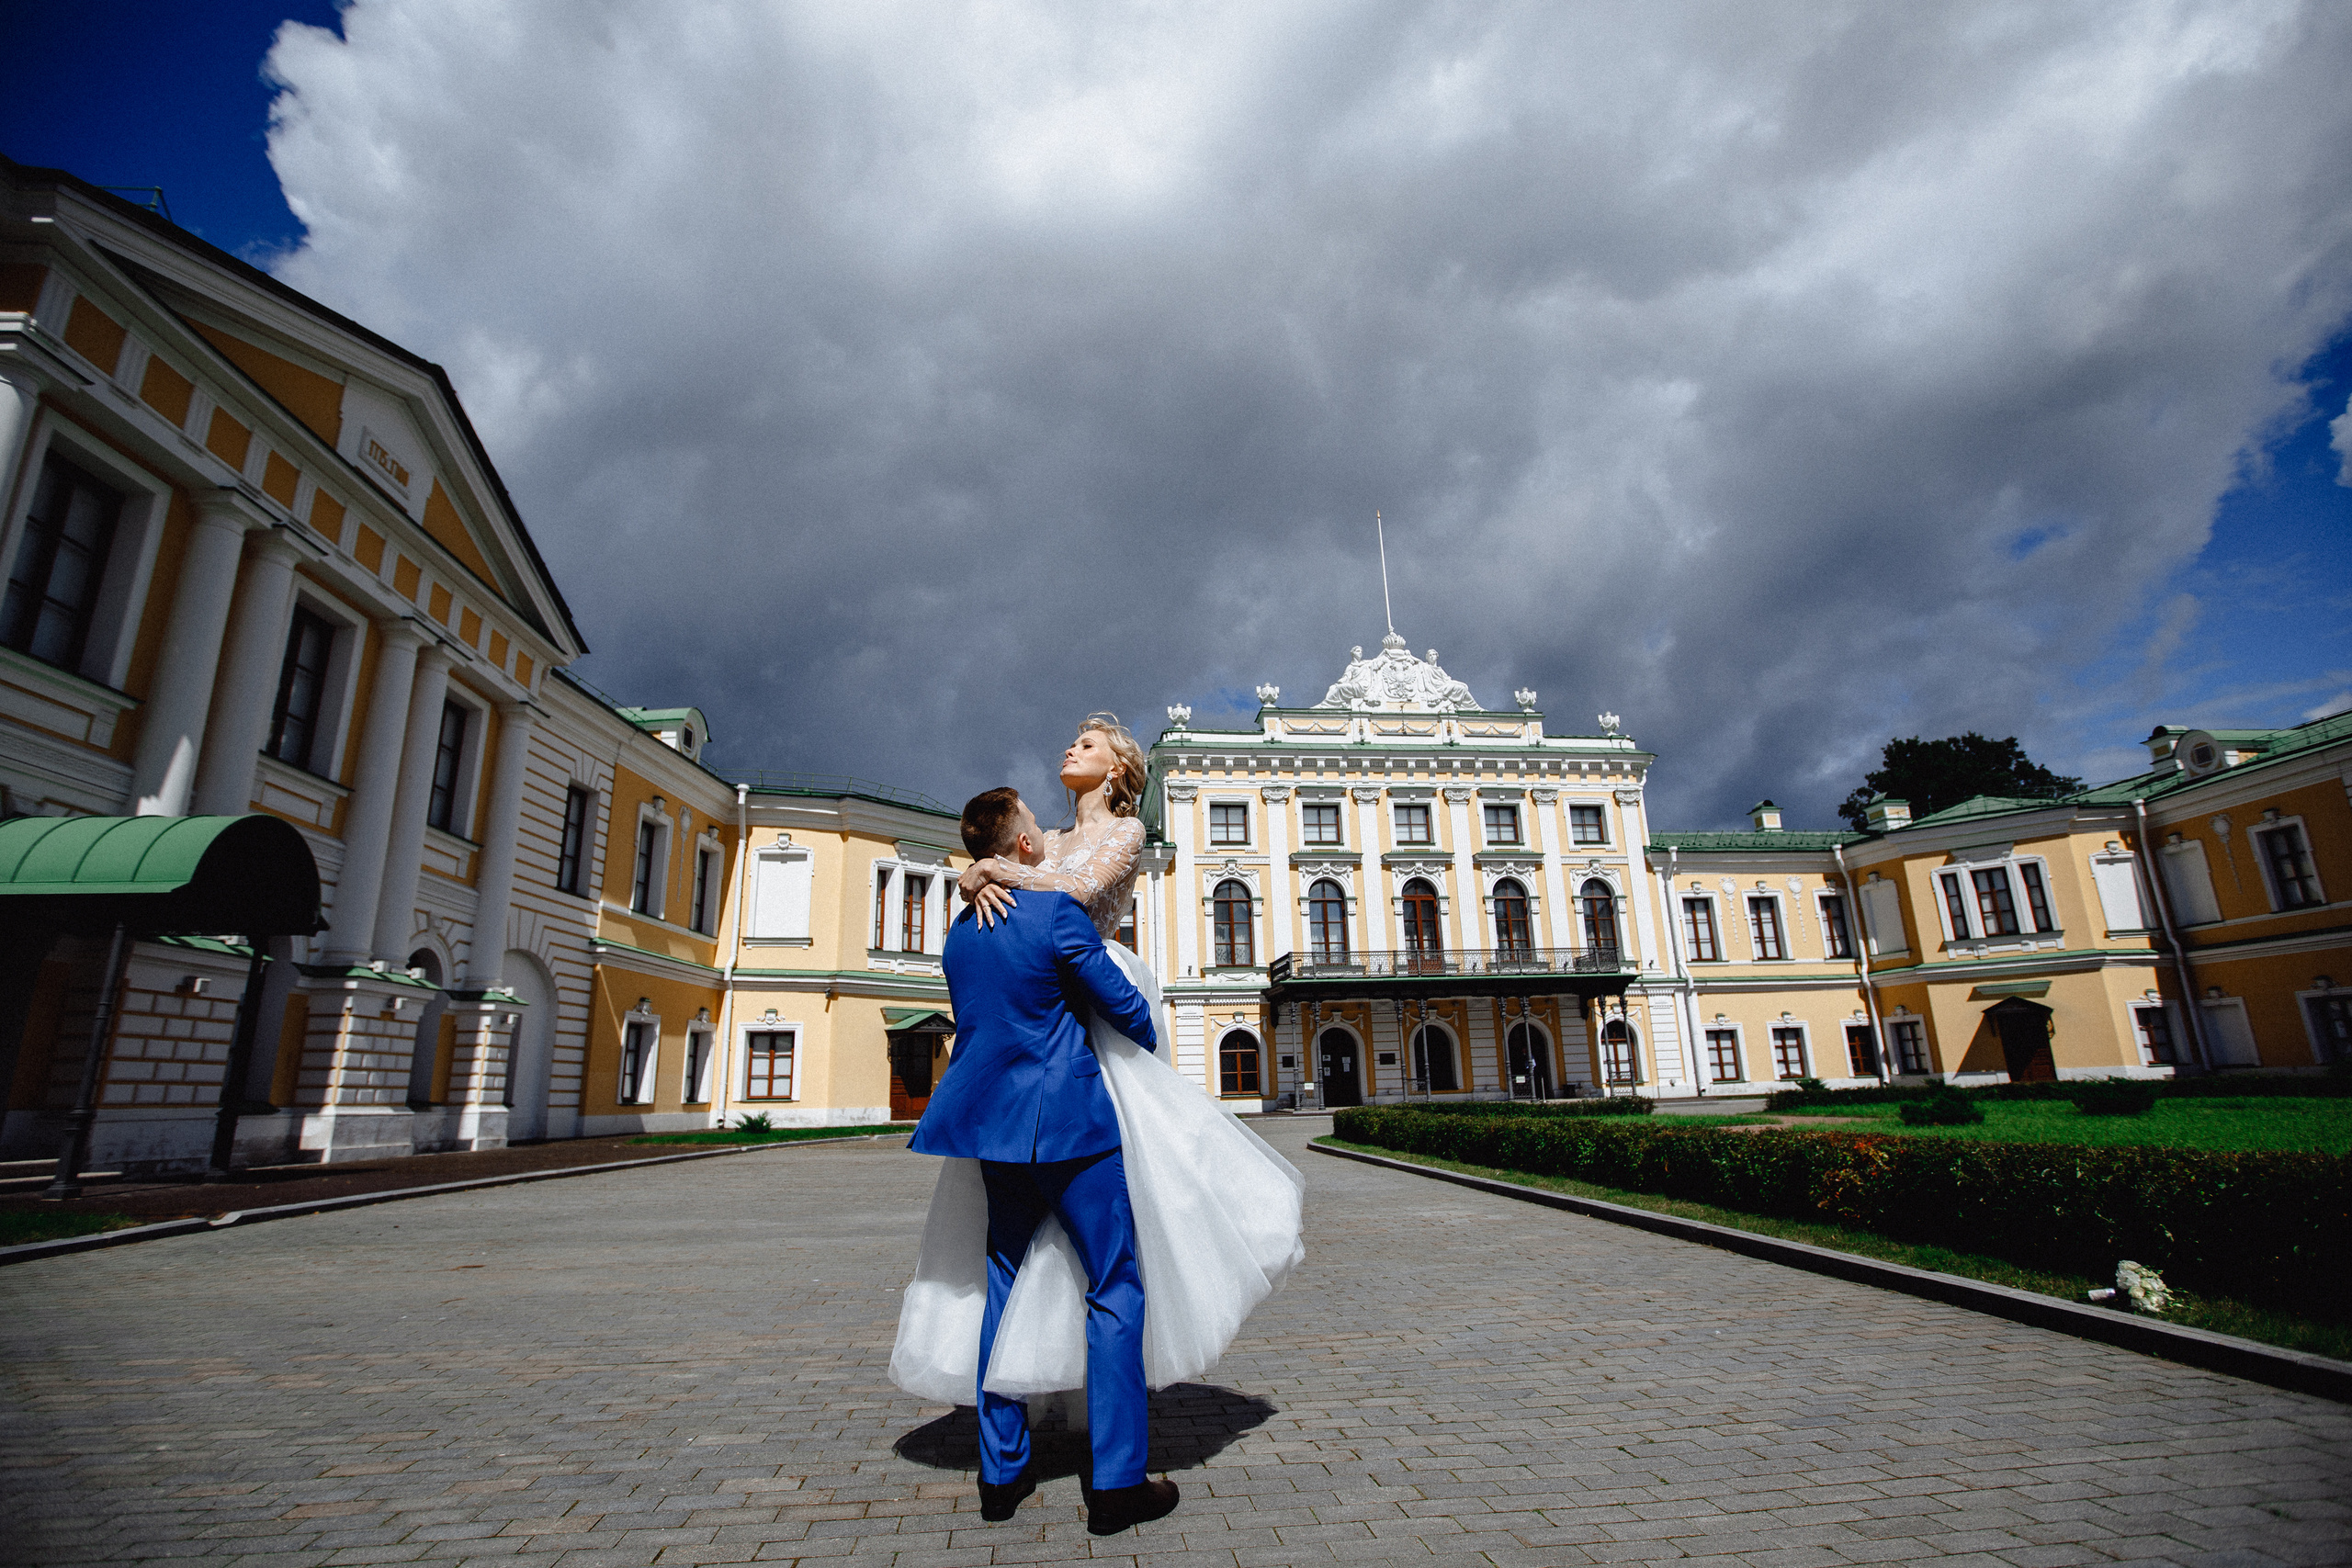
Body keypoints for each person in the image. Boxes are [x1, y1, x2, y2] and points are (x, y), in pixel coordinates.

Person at [889, 715, 1306, 1536]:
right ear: (1024, 837)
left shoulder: (1055, 869)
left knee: (1003, 1274)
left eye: (1089, 742)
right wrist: (995, 867)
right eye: (1070, 739)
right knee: (1114, 1281)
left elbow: (1076, 896)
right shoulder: (1035, 881)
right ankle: (1114, 1481)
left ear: (1120, 769)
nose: (1070, 748)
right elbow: (1073, 934)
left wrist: (983, 871)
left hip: (1015, 1084)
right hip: (1068, 1073)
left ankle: (1000, 1472)